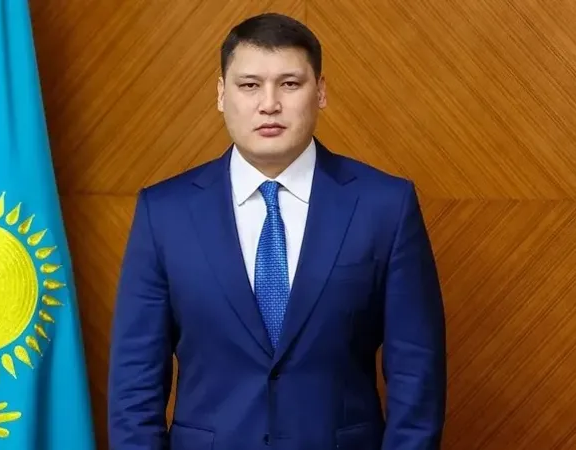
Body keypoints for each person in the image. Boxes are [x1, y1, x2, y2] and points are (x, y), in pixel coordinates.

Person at [107, 12, 446, 450]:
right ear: (221, 94)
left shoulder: (385, 206)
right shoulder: (164, 213)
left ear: (320, 91)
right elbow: (135, 383)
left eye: (289, 83)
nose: (269, 104)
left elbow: (417, 374)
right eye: (249, 85)